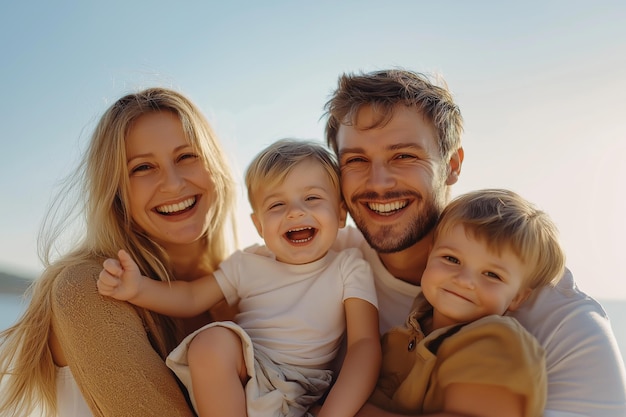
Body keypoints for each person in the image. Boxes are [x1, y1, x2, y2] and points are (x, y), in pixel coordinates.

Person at [324, 69, 626, 416]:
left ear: (452, 165)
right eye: (356, 160)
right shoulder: (318, 263)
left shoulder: (559, 319)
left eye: (404, 156)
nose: (378, 183)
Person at [97, 139, 382, 417]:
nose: (295, 211)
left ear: (341, 214)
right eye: (276, 205)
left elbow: (363, 345)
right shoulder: (248, 263)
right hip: (242, 382)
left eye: (312, 198)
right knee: (211, 343)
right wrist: (137, 289)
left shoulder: (348, 267)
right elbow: (192, 297)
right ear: (259, 226)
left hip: (302, 391)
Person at [0, 87, 238, 417]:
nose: (172, 183)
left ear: (215, 167)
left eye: (186, 156)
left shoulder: (242, 293)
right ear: (116, 193)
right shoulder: (90, 287)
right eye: (142, 168)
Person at [370, 188, 565, 417]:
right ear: (429, 256)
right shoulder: (397, 338)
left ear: (517, 297)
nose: (464, 281)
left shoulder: (497, 343)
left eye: (492, 275)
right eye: (451, 259)